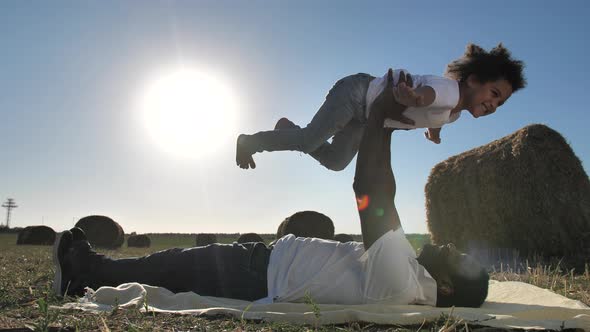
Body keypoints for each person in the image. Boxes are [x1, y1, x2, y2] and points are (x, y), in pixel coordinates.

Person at [54, 72, 489, 307]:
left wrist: (381, 118)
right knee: (172, 265)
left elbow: (373, 191)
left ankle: (86, 274)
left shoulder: (404, 283)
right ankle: (91, 271)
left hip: (260, 274)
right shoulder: (408, 276)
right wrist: (387, 119)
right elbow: (380, 187)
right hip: (265, 266)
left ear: (448, 287)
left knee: (170, 266)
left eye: (458, 258)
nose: (450, 246)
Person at [236, 43, 526, 171]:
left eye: (500, 103)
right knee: (309, 141)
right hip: (356, 95)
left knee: (337, 162)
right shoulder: (448, 90)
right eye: (494, 93)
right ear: (473, 80)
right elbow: (428, 95)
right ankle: (251, 142)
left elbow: (436, 115)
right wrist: (414, 98)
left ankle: (288, 130)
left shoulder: (454, 113)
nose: (494, 105)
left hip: (364, 118)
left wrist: (434, 133)